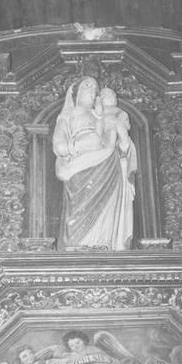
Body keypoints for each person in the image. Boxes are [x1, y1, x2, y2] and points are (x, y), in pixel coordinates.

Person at [53, 77, 137, 250]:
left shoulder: (102, 115)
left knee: (107, 207)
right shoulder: (68, 115)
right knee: (79, 208)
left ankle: (105, 245)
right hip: (79, 168)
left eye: (95, 88)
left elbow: (121, 145)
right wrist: (78, 145)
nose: (92, 90)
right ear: (75, 92)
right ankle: (78, 247)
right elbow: (59, 146)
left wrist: (116, 129)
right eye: (87, 85)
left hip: (108, 166)